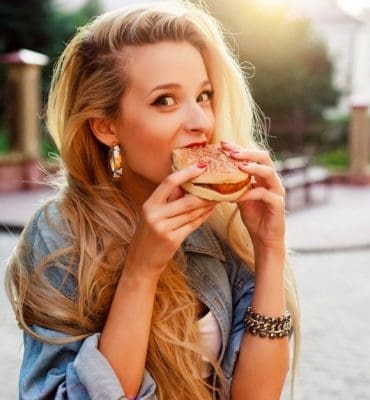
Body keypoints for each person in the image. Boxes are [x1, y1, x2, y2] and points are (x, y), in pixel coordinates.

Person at [6, 1, 300, 399]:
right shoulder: (59, 234)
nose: (200, 122)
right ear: (106, 127)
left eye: (204, 95)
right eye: (165, 100)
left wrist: (269, 248)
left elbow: (257, 395)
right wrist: (141, 270)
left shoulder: (222, 223)